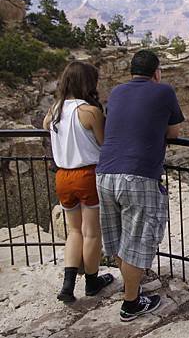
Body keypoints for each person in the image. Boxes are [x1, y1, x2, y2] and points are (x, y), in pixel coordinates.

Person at [95, 49, 184, 322]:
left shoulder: (117, 92)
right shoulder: (164, 91)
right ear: (156, 73)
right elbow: (174, 132)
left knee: (120, 241)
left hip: (104, 174)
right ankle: (131, 303)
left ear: (131, 72)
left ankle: (132, 291)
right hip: (138, 176)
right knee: (137, 242)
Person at [43, 61, 115, 303]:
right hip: (87, 175)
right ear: (88, 83)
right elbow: (105, 144)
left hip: (62, 177)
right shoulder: (89, 112)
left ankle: (68, 285)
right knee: (92, 233)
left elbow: (46, 127)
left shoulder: (54, 111)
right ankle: (92, 281)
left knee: (74, 231)